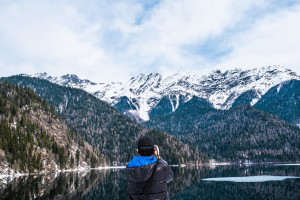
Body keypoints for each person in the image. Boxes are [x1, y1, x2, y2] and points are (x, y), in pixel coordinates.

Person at [126, 135, 173, 200]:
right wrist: (158, 158)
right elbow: (170, 178)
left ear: (138, 150)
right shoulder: (161, 166)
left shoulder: (130, 167)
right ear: (153, 150)